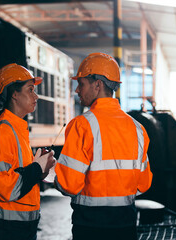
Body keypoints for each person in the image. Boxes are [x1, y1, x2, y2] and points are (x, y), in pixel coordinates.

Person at [54, 53, 153, 240]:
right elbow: (143, 183)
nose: (77, 90)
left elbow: (69, 185)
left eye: (81, 84)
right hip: (126, 225)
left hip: (90, 227)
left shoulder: (81, 125)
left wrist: (51, 174)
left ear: (97, 85)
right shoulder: (137, 128)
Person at [0, 63, 56, 240]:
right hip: (6, 230)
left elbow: (18, 174)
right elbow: (6, 186)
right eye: (30, 90)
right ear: (14, 94)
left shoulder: (16, 129)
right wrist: (38, 168)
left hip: (18, 227)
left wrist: (41, 167)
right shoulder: (3, 131)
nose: (36, 96)